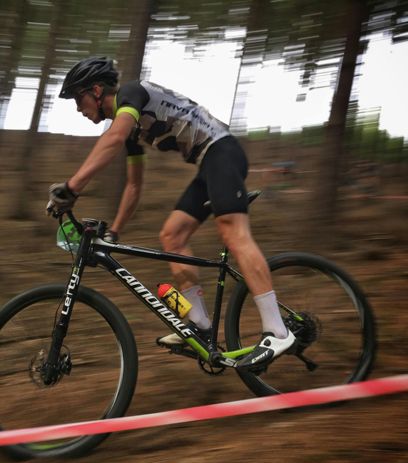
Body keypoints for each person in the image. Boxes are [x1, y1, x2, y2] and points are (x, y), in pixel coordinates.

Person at [46, 56, 295, 369]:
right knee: (172, 235)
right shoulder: (129, 128)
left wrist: (72, 187)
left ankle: (277, 331)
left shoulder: (131, 94)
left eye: (78, 99)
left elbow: (113, 139)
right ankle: (200, 325)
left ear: (96, 91)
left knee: (233, 233)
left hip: (223, 152)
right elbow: (134, 185)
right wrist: (115, 231)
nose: (78, 108)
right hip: (208, 164)